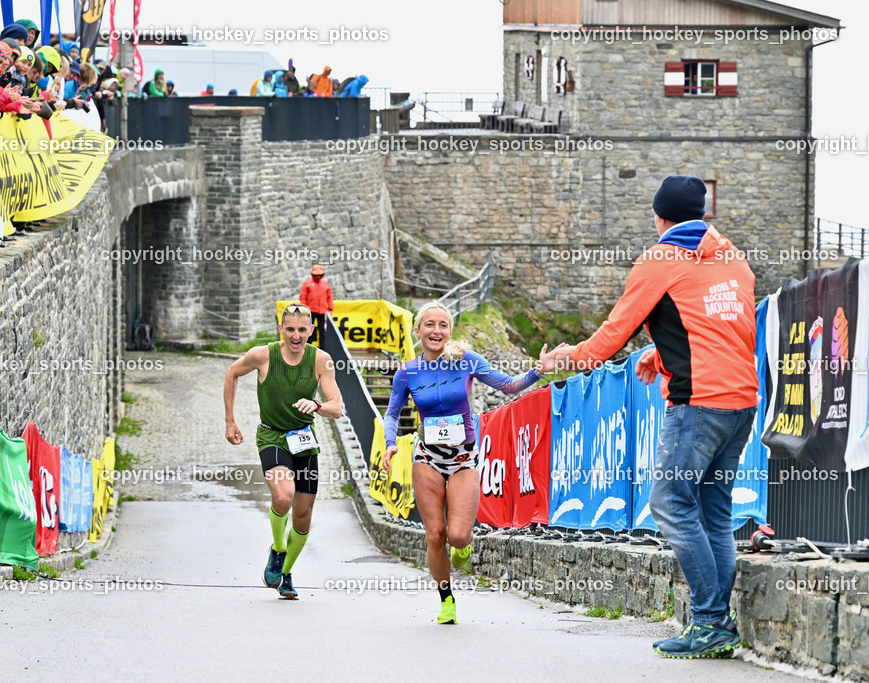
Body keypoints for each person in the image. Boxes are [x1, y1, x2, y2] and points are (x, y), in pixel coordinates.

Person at [550, 175, 757, 659]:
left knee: (668, 503)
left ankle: (709, 621)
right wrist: (660, 356)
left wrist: (569, 357)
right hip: (741, 399)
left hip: (698, 402)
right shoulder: (732, 258)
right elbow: (721, 329)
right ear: (702, 214)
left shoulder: (658, 260)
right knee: (713, 511)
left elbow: (611, 335)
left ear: (659, 216)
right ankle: (715, 622)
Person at [383, 301, 562, 625]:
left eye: (443, 325)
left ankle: (462, 549)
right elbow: (392, 413)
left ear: (450, 331)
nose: (436, 331)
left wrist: (539, 369)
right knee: (435, 534)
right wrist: (391, 444)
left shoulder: (465, 361)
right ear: (418, 330)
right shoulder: (407, 372)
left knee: (459, 536)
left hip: (463, 455)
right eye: (429, 324)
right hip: (427, 456)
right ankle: (446, 599)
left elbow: (508, 386)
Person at [223, 304, 343, 600]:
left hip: (304, 440)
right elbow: (231, 373)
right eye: (290, 329)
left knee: (303, 517)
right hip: (272, 436)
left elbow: (336, 407)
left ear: (311, 331)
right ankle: (278, 549)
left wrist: (317, 405)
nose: (296, 336)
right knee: (283, 495)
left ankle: (286, 572)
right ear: (281, 329)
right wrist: (230, 420)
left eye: (302, 330)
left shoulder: (322, 360)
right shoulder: (263, 355)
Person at [298, 264, 333, 346]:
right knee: (309, 330)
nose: (318, 276)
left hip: (322, 312)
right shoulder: (307, 283)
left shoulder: (325, 284)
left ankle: (322, 349)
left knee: (322, 331)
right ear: (313, 274)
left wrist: (330, 308)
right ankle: (307, 347)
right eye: (316, 275)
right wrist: (304, 309)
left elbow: (330, 296)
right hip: (310, 311)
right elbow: (303, 297)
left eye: (319, 275)